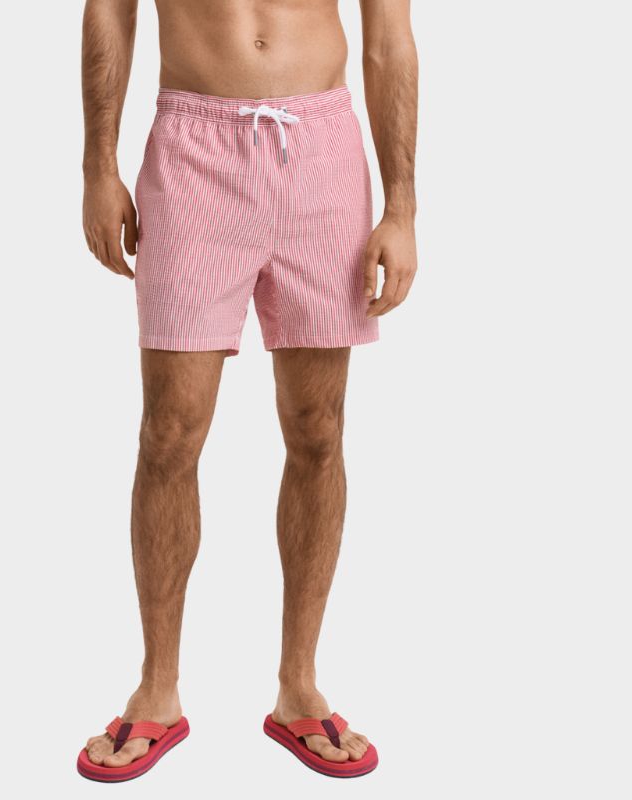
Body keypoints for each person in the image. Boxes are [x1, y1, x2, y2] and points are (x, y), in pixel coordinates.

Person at [77, 0, 418, 782]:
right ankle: (157, 687)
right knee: (170, 431)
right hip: (192, 152)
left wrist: (401, 205)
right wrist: (98, 166)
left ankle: (299, 686)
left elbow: (390, 40)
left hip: (322, 153)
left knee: (318, 428)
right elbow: (109, 11)